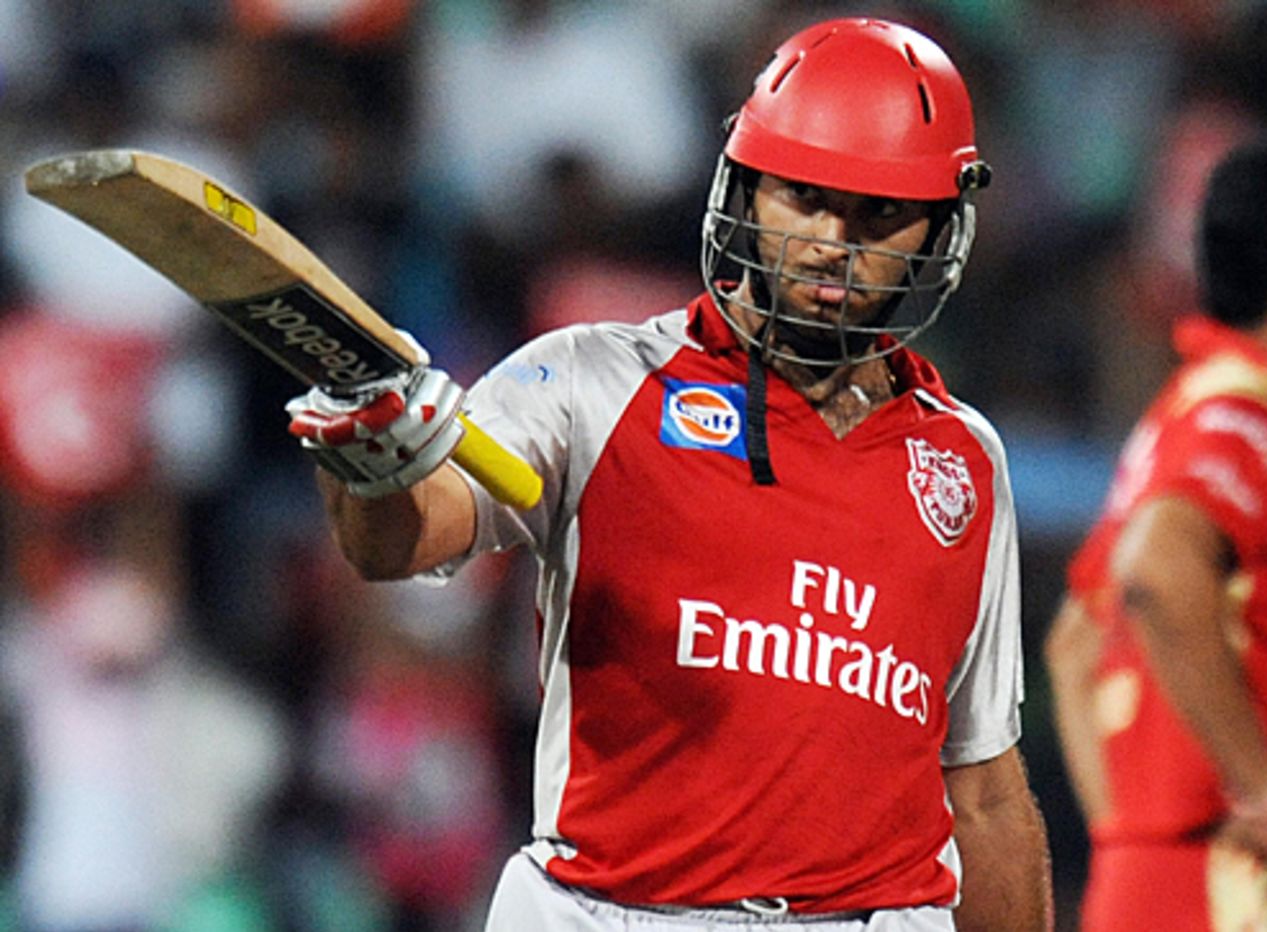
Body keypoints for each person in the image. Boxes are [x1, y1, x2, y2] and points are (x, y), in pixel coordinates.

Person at [287, 17, 1051, 931]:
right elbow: (404, 540)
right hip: (609, 913)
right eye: (803, 197)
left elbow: (986, 788)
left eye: (879, 214)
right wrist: (368, 461)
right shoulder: (588, 381)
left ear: (942, 227)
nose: (833, 244)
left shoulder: (964, 463)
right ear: (745, 188)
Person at [1045, 135, 1267, 930]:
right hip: (1232, 884)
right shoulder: (1244, 420)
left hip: (1148, 885)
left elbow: (1075, 647)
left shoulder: (1174, 417)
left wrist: (1130, 846)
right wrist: (1265, 789)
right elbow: (1155, 568)